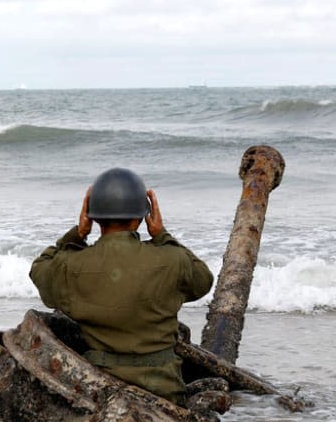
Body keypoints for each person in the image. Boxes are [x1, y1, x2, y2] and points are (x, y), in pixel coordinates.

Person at [29, 168, 214, 405]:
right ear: (143, 216)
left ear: (92, 216)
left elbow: (40, 269)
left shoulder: (70, 265)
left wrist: (78, 233)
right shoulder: (172, 260)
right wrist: (162, 235)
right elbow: (203, 280)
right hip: (164, 390)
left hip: (100, 388)